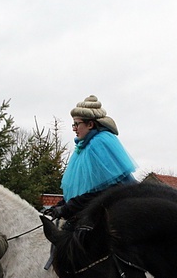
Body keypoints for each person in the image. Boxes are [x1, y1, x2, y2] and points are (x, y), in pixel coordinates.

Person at [44, 95, 137, 228]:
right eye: (73, 124)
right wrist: (60, 206)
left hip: (109, 216)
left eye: (77, 124)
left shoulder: (99, 144)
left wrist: (67, 208)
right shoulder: (83, 148)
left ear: (90, 124)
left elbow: (105, 190)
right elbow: (81, 188)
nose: (74, 129)